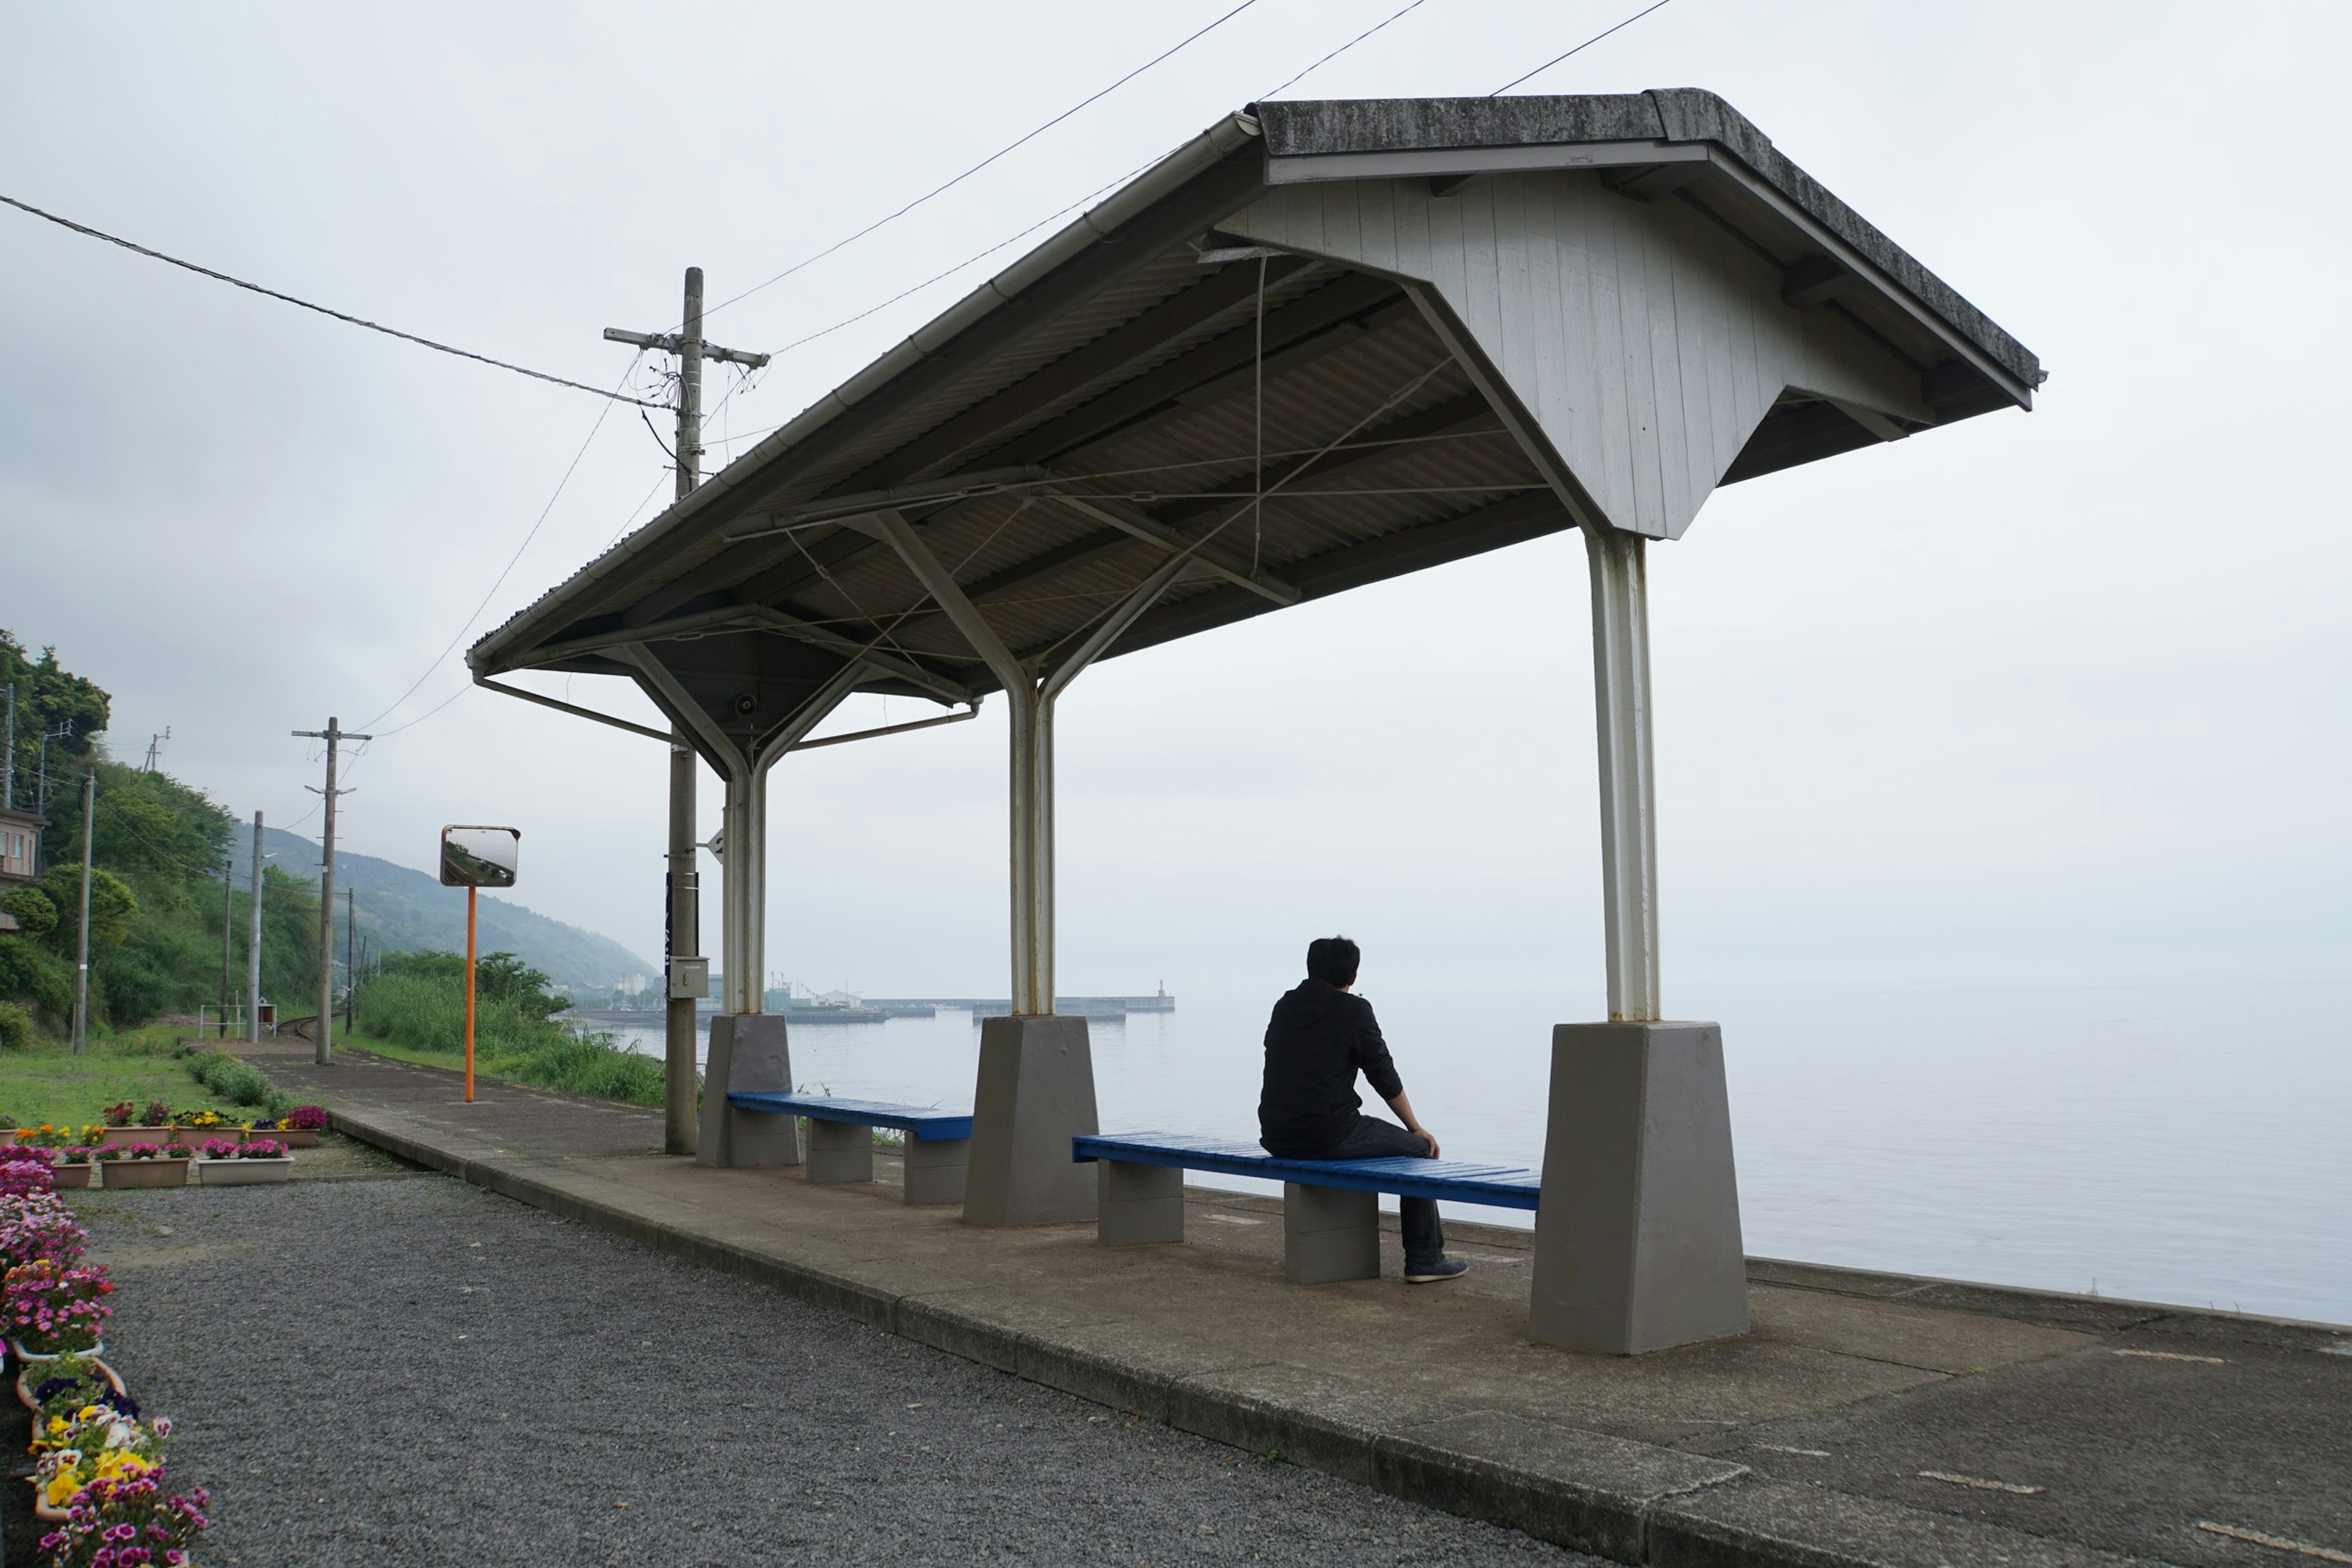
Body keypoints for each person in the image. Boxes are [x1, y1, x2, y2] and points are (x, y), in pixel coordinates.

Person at [1257, 936, 1466, 1283]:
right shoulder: (1353, 1010)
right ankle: (1425, 1259)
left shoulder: (1285, 1006)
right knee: (1419, 1153)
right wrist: (1416, 1128)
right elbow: (1383, 1075)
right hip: (1328, 1134)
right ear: (1353, 976)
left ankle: (1426, 1257)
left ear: (1310, 968)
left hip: (1277, 1136)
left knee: (1364, 1134)